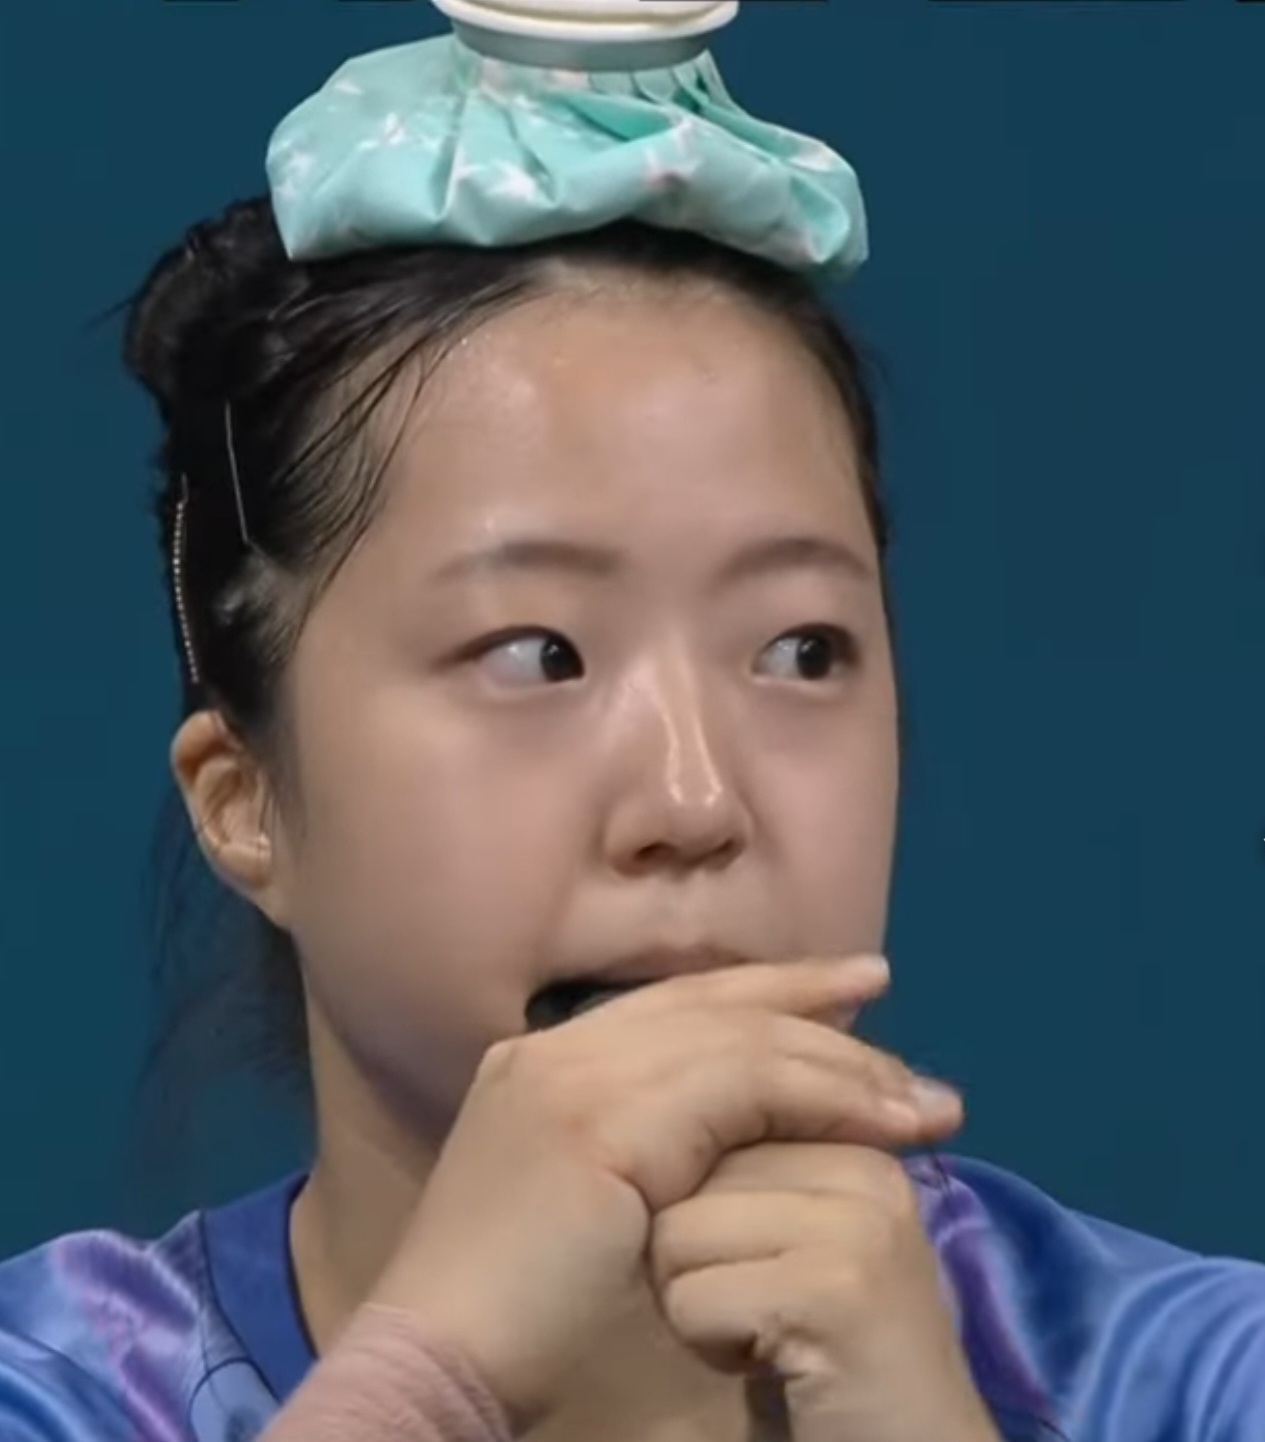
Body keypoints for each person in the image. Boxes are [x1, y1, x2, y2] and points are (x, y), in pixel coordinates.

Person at [2, 4, 1262, 1441]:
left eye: (799, 650)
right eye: (537, 655)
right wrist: (430, 1378)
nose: (693, 799)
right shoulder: (57, 1390)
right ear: (245, 802)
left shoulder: (1195, 1380)